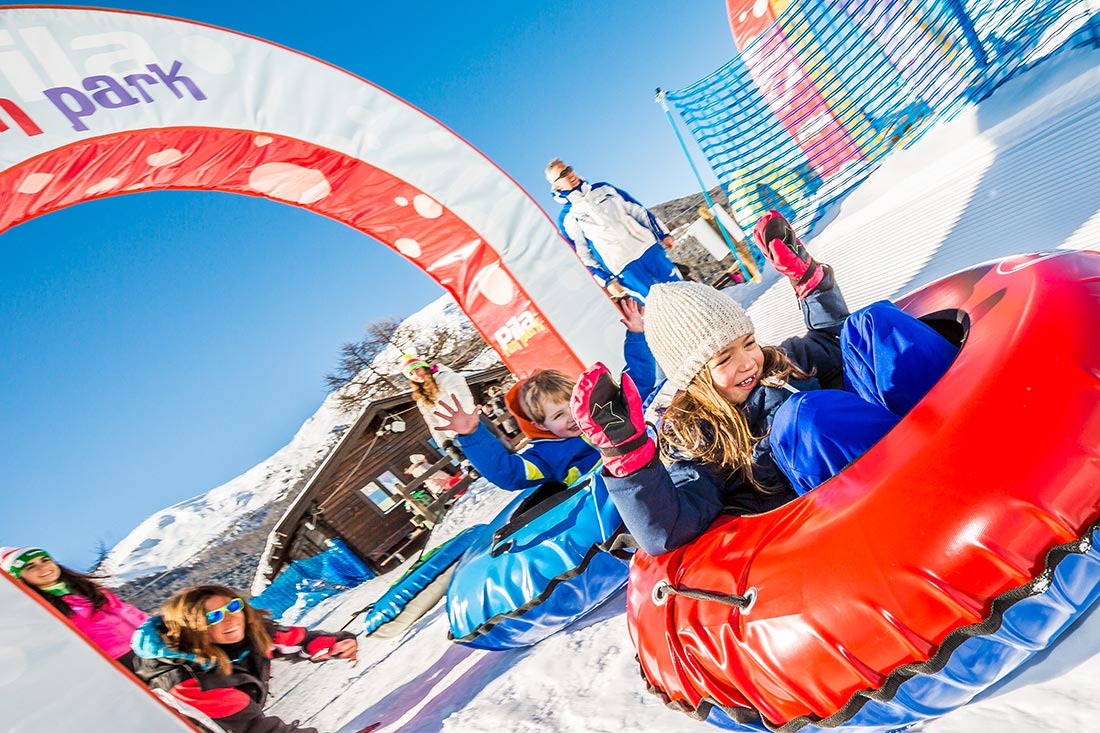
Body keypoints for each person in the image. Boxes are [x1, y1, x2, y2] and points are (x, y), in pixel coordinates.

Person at [569, 211, 958, 555]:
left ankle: (970, 414)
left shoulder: (782, 362)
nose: (747, 363)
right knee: (804, 419)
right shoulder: (701, 443)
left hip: (926, 441)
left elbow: (832, 337)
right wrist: (628, 454)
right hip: (862, 503)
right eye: (724, 359)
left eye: (748, 343)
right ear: (694, 380)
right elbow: (668, 531)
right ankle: (935, 489)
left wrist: (811, 282)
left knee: (870, 325)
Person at [432, 299, 658, 491]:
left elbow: (638, 383)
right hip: (616, 501)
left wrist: (636, 336)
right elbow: (509, 473)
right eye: (558, 416)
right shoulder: (547, 455)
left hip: (651, 472)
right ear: (541, 426)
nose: (571, 417)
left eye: (573, 407)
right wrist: (473, 434)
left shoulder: (605, 414)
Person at [131, 584, 358, 733]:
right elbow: (253, 729)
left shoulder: (251, 632)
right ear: (193, 629)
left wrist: (332, 644)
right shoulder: (188, 681)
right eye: (214, 617)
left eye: (232, 607)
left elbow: (296, 640)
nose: (230, 620)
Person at [546, 159, 681, 301]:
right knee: (656, 307)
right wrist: (607, 280)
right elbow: (582, 255)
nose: (570, 175)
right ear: (556, 186)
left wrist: (662, 234)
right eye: (563, 174)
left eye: (568, 169)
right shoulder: (567, 218)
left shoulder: (604, 189)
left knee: (682, 292)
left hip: (648, 248)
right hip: (623, 267)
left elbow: (638, 211)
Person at [0, 546, 148, 672]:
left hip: (150, 642)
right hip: (118, 659)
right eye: (30, 567)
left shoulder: (86, 588)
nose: (43, 567)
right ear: (19, 578)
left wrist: (158, 627)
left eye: (45, 560)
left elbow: (127, 611)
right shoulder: (37, 609)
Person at [401, 354, 475, 456]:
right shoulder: (421, 398)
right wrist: (445, 443)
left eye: (417, 369)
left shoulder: (445, 378)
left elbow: (463, 398)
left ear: (424, 367)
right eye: (411, 374)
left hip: (472, 426)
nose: (416, 375)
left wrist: (465, 422)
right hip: (456, 436)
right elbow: (432, 421)